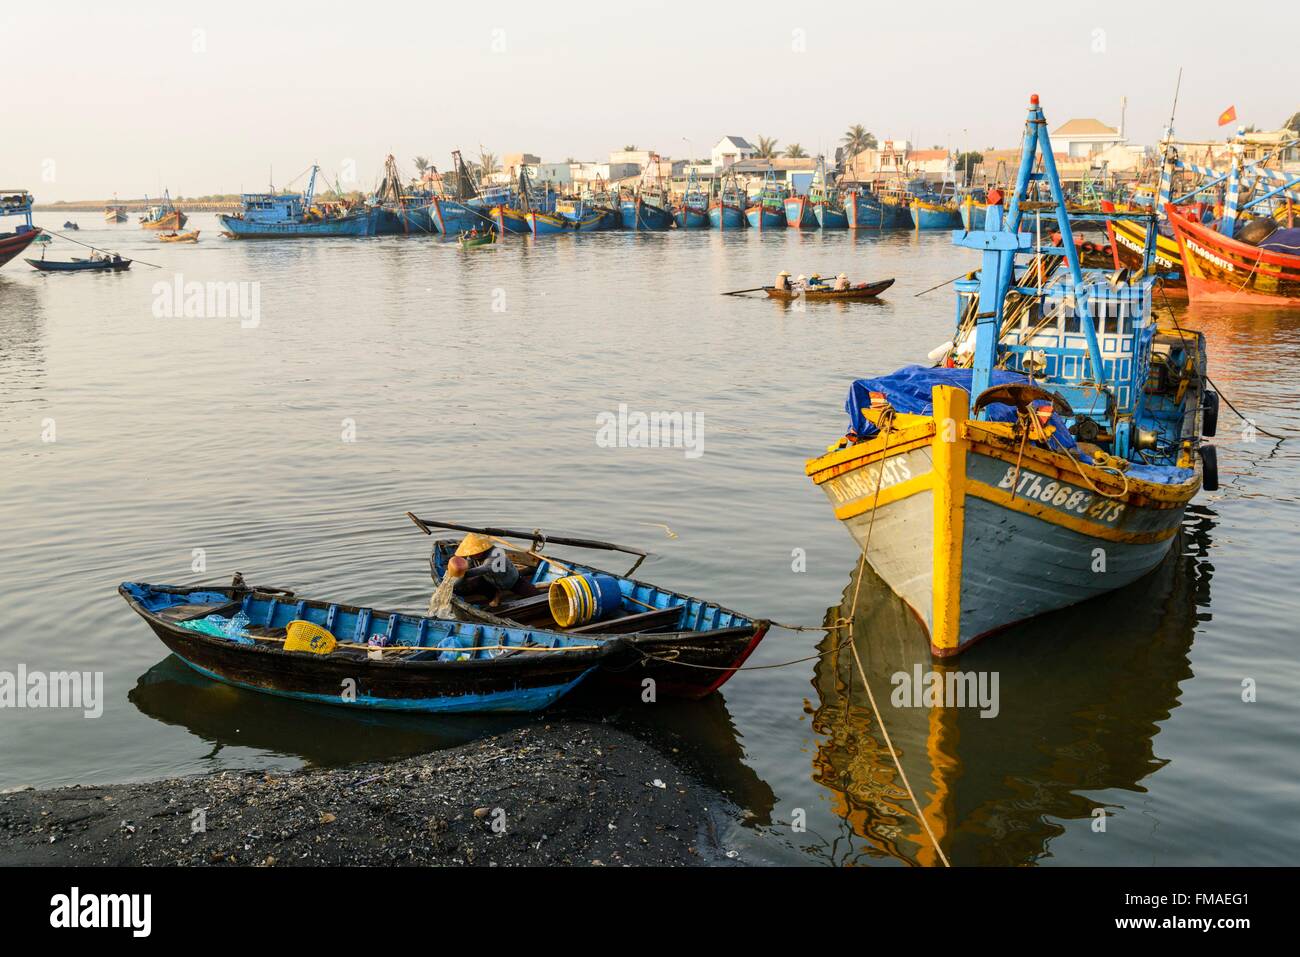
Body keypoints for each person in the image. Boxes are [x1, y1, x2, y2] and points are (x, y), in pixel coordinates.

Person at [448, 533, 531, 606]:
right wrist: (453, 586)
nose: (471, 555)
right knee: (466, 586)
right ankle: (494, 596)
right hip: (491, 583)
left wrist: (463, 573)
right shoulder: (472, 557)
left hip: (512, 582)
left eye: (474, 553)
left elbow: (486, 568)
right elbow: (467, 570)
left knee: (534, 596)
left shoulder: (496, 553)